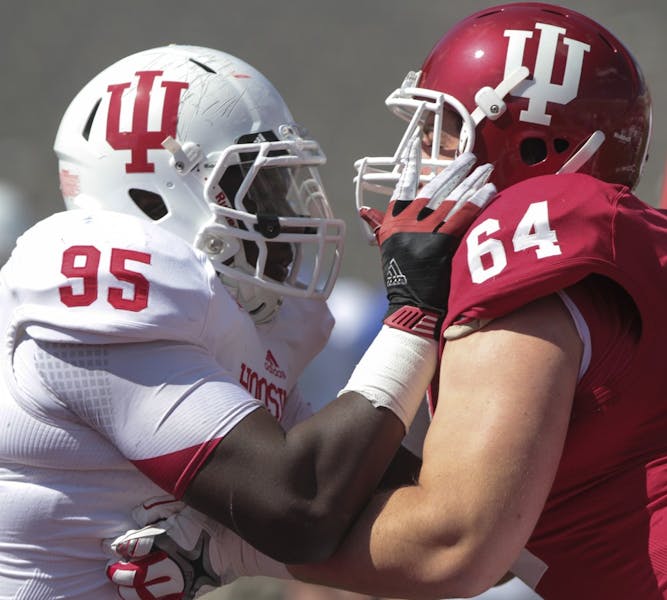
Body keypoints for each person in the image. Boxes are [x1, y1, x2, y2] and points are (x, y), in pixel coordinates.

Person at [109, 3, 667, 600]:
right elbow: (503, 530)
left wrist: (222, 543)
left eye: (440, 129)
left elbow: (452, 543)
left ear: (534, 146)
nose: (417, 154)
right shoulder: (620, 244)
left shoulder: (532, 230)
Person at [0, 43, 494, 599]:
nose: (282, 219)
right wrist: (411, 317)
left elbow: (406, 515)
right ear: (152, 193)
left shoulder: (221, 319)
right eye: (256, 190)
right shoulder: (99, 282)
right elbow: (298, 505)